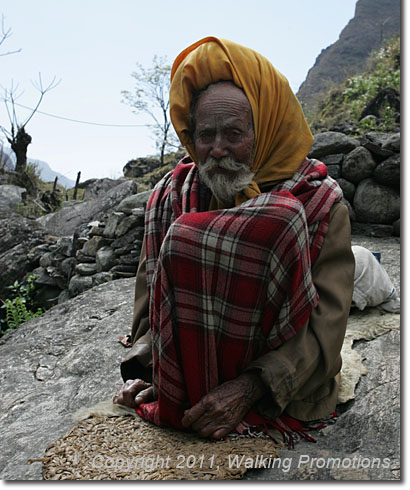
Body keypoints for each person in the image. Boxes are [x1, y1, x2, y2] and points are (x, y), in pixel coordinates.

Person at [115, 37, 355, 442]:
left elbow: (325, 326)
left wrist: (251, 387)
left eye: (234, 133)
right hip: (186, 376)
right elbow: (150, 301)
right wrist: (151, 363)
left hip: (274, 388)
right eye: (205, 135)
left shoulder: (319, 205)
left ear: (265, 128)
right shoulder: (170, 198)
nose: (217, 150)